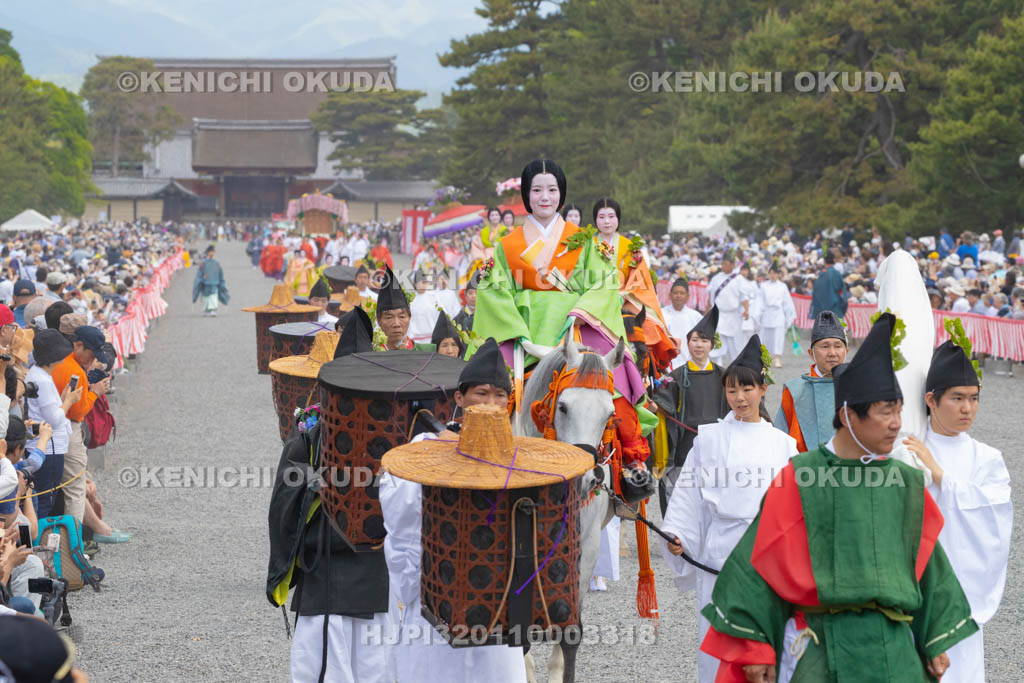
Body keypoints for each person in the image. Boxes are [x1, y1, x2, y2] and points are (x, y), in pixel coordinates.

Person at [698, 313, 977, 682]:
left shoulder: (905, 482)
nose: (897, 424)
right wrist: (756, 647)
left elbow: (929, 568)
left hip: (894, 650)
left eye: (898, 411)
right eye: (885, 412)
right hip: (820, 645)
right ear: (847, 415)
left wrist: (934, 638)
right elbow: (760, 565)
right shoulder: (801, 477)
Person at [379, 337, 527, 682]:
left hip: (498, 601)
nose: (490, 403)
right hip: (437, 596)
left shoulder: (524, 457)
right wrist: (415, 584)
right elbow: (401, 524)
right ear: (459, 398)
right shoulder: (425, 448)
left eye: (500, 395)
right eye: (481, 393)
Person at [661, 334, 797, 682]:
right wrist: (678, 534)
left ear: (762, 390)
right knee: (717, 639)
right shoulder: (709, 438)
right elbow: (689, 494)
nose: (740, 397)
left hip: (765, 552)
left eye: (747, 389)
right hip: (719, 551)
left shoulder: (783, 445)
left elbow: (795, 510)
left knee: (763, 642)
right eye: (732, 390)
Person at [913, 340, 1012, 683]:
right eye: (957, 398)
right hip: (917, 590)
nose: (967, 408)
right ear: (931, 400)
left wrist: (941, 477)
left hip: (964, 592)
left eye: (973, 398)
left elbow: (995, 518)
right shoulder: (909, 449)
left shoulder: (987, 458)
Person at [652, 305, 729, 517]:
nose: (699, 345)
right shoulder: (675, 377)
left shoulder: (724, 376)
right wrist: (656, 406)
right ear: (687, 343)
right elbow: (663, 407)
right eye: (694, 340)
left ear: (712, 345)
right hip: (684, 446)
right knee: (681, 500)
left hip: (716, 446)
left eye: (704, 341)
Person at [51, 325, 111, 528]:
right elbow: (78, 412)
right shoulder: (75, 371)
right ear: (78, 345)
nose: (92, 360)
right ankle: (74, 540)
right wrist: (95, 392)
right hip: (69, 429)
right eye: (91, 354)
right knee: (75, 490)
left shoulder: (60, 362)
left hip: (55, 428)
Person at [775, 311, 848, 453]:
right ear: (811, 353)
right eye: (825, 346)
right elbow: (780, 438)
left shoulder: (858, 386)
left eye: (838, 346)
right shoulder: (795, 391)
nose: (832, 353)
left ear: (846, 351)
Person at [25, 330, 80, 519]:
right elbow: (54, 419)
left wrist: (63, 400)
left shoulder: (37, 374)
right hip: (48, 448)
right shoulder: (42, 379)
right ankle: (39, 536)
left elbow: (47, 411)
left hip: (43, 446)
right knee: (45, 500)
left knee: (42, 499)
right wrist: (69, 401)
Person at [709, 252, 751, 363]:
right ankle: (717, 367)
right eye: (722, 264)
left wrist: (746, 310)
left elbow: (744, 297)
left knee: (735, 344)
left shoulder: (739, 279)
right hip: (718, 315)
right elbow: (711, 296)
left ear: (732, 265)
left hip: (733, 316)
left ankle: (735, 367)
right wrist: (707, 312)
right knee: (717, 343)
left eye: (726, 264)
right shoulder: (716, 278)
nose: (723, 266)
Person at [758, 263, 795, 368]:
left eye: (774, 273)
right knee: (765, 337)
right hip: (766, 313)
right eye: (770, 273)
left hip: (778, 314)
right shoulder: (763, 286)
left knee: (778, 337)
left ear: (778, 274)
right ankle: (765, 358)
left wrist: (789, 316)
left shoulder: (782, 286)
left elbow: (787, 302)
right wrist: (757, 315)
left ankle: (777, 358)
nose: (772, 275)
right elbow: (759, 302)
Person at [662, 277, 703, 370]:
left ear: (688, 297)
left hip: (690, 363)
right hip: (667, 364)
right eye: (675, 293)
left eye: (682, 293)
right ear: (669, 295)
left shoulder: (695, 316)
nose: (678, 296)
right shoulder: (662, 314)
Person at [375, 267, 413, 350]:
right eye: (389, 317)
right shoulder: (370, 353)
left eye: (402, 317)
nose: (396, 324)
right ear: (378, 321)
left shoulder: (425, 351)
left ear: (409, 318)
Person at [809, 251, 848, 320]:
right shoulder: (837, 274)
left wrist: (814, 314)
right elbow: (844, 296)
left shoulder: (821, 275)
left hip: (822, 315)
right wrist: (842, 311)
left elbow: (816, 296)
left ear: (824, 261)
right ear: (834, 260)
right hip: (836, 312)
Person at [192, 244, 228, 317]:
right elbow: (199, 274)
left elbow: (220, 273)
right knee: (205, 297)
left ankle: (212, 311)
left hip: (214, 283)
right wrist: (202, 278)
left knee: (213, 297)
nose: (211, 253)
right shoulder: (203, 263)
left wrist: (221, 282)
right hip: (205, 283)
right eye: (210, 252)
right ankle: (205, 310)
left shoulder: (216, 263)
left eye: (213, 252)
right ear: (208, 253)